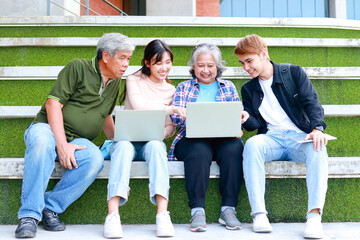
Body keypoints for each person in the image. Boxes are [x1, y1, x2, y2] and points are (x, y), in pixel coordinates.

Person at [15, 33, 135, 239]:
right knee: (43, 143)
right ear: (106, 56)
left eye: (129, 59)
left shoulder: (115, 81)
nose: (126, 64)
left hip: (77, 140)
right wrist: (61, 144)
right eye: (123, 58)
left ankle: (50, 207)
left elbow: (105, 114)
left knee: (94, 158)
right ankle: (29, 215)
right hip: (47, 129)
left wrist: (121, 141)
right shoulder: (78, 67)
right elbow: (53, 104)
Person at [234, 34, 328, 239]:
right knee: (252, 145)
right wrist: (246, 117)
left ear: (263, 54)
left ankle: (314, 217)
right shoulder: (248, 88)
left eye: (249, 61)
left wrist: (317, 129)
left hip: (299, 138)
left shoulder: (292, 73)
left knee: (318, 147)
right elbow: (255, 125)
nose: (246, 67)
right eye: (242, 63)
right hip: (272, 139)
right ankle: (259, 214)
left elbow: (312, 102)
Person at [104, 39, 185, 238]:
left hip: (151, 142)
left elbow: (169, 128)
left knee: (157, 146)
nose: (164, 68)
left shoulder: (172, 91)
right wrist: (171, 109)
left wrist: (160, 133)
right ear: (147, 63)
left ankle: (162, 215)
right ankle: (112, 215)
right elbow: (139, 107)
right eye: (158, 63)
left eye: (168, 62)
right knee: (122, 147)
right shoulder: (134, 79)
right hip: (127, 141)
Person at [170, 43, 249, 232]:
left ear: (218, 67)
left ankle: (228, 209)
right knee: (199, 150)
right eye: (200, 65)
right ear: (193, 67)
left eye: (210, 65)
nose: (205, 70)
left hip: (222, 139)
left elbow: (235, 115)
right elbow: (174, 117)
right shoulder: (183, 87)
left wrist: (237, 125)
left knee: (234, 148)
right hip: (191, 139)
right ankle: (197, 210)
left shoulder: (228, 86)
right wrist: (190, 117)